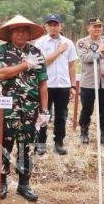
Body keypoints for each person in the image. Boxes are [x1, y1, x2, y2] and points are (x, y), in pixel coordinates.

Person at [0, 15, 48, 202]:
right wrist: (25, 65)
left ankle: (24, 184)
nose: (21, 34)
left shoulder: (36, 52)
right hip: (7, 110)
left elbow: (42, 84)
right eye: (17, 30)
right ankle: (1, 183)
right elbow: (0, 74)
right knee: (3, 147)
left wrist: (45, 111)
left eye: (25, 31)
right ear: (10, 34)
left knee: (27, 148)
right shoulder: (1, 51)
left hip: (30, 110)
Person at [33, 14, 78, 156]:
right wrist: (58, 51)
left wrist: (73, 85)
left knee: (61, 115)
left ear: (61, 26)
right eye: (50, 24)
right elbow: (41, 63)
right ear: (45, 26)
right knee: (43, 114)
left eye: (56, 24)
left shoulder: (68, 43)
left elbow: (71, 66)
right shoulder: (40, 43)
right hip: (46, 84)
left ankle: (59, 143)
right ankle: (40, 143)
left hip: (63, 85)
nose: (53, 27)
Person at [76, 17, 104, 147]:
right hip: (88, 82)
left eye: (99, 26)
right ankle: (84, 133)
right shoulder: (82, 43)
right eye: (94, 26)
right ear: (88, 28)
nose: (97, 29)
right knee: (87, 109)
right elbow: (85, 58)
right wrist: (99, 50)